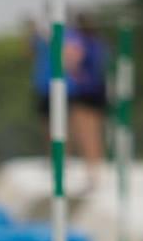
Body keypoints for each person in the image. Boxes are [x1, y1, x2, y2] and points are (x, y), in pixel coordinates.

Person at [29, 12, 109, 193]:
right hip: (57, 89)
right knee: (57, 131)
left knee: (81, 132)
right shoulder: (48, 37)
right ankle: (64, 170)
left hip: (74, 90)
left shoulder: (74, 38)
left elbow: (73, 60)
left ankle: (89, 172)